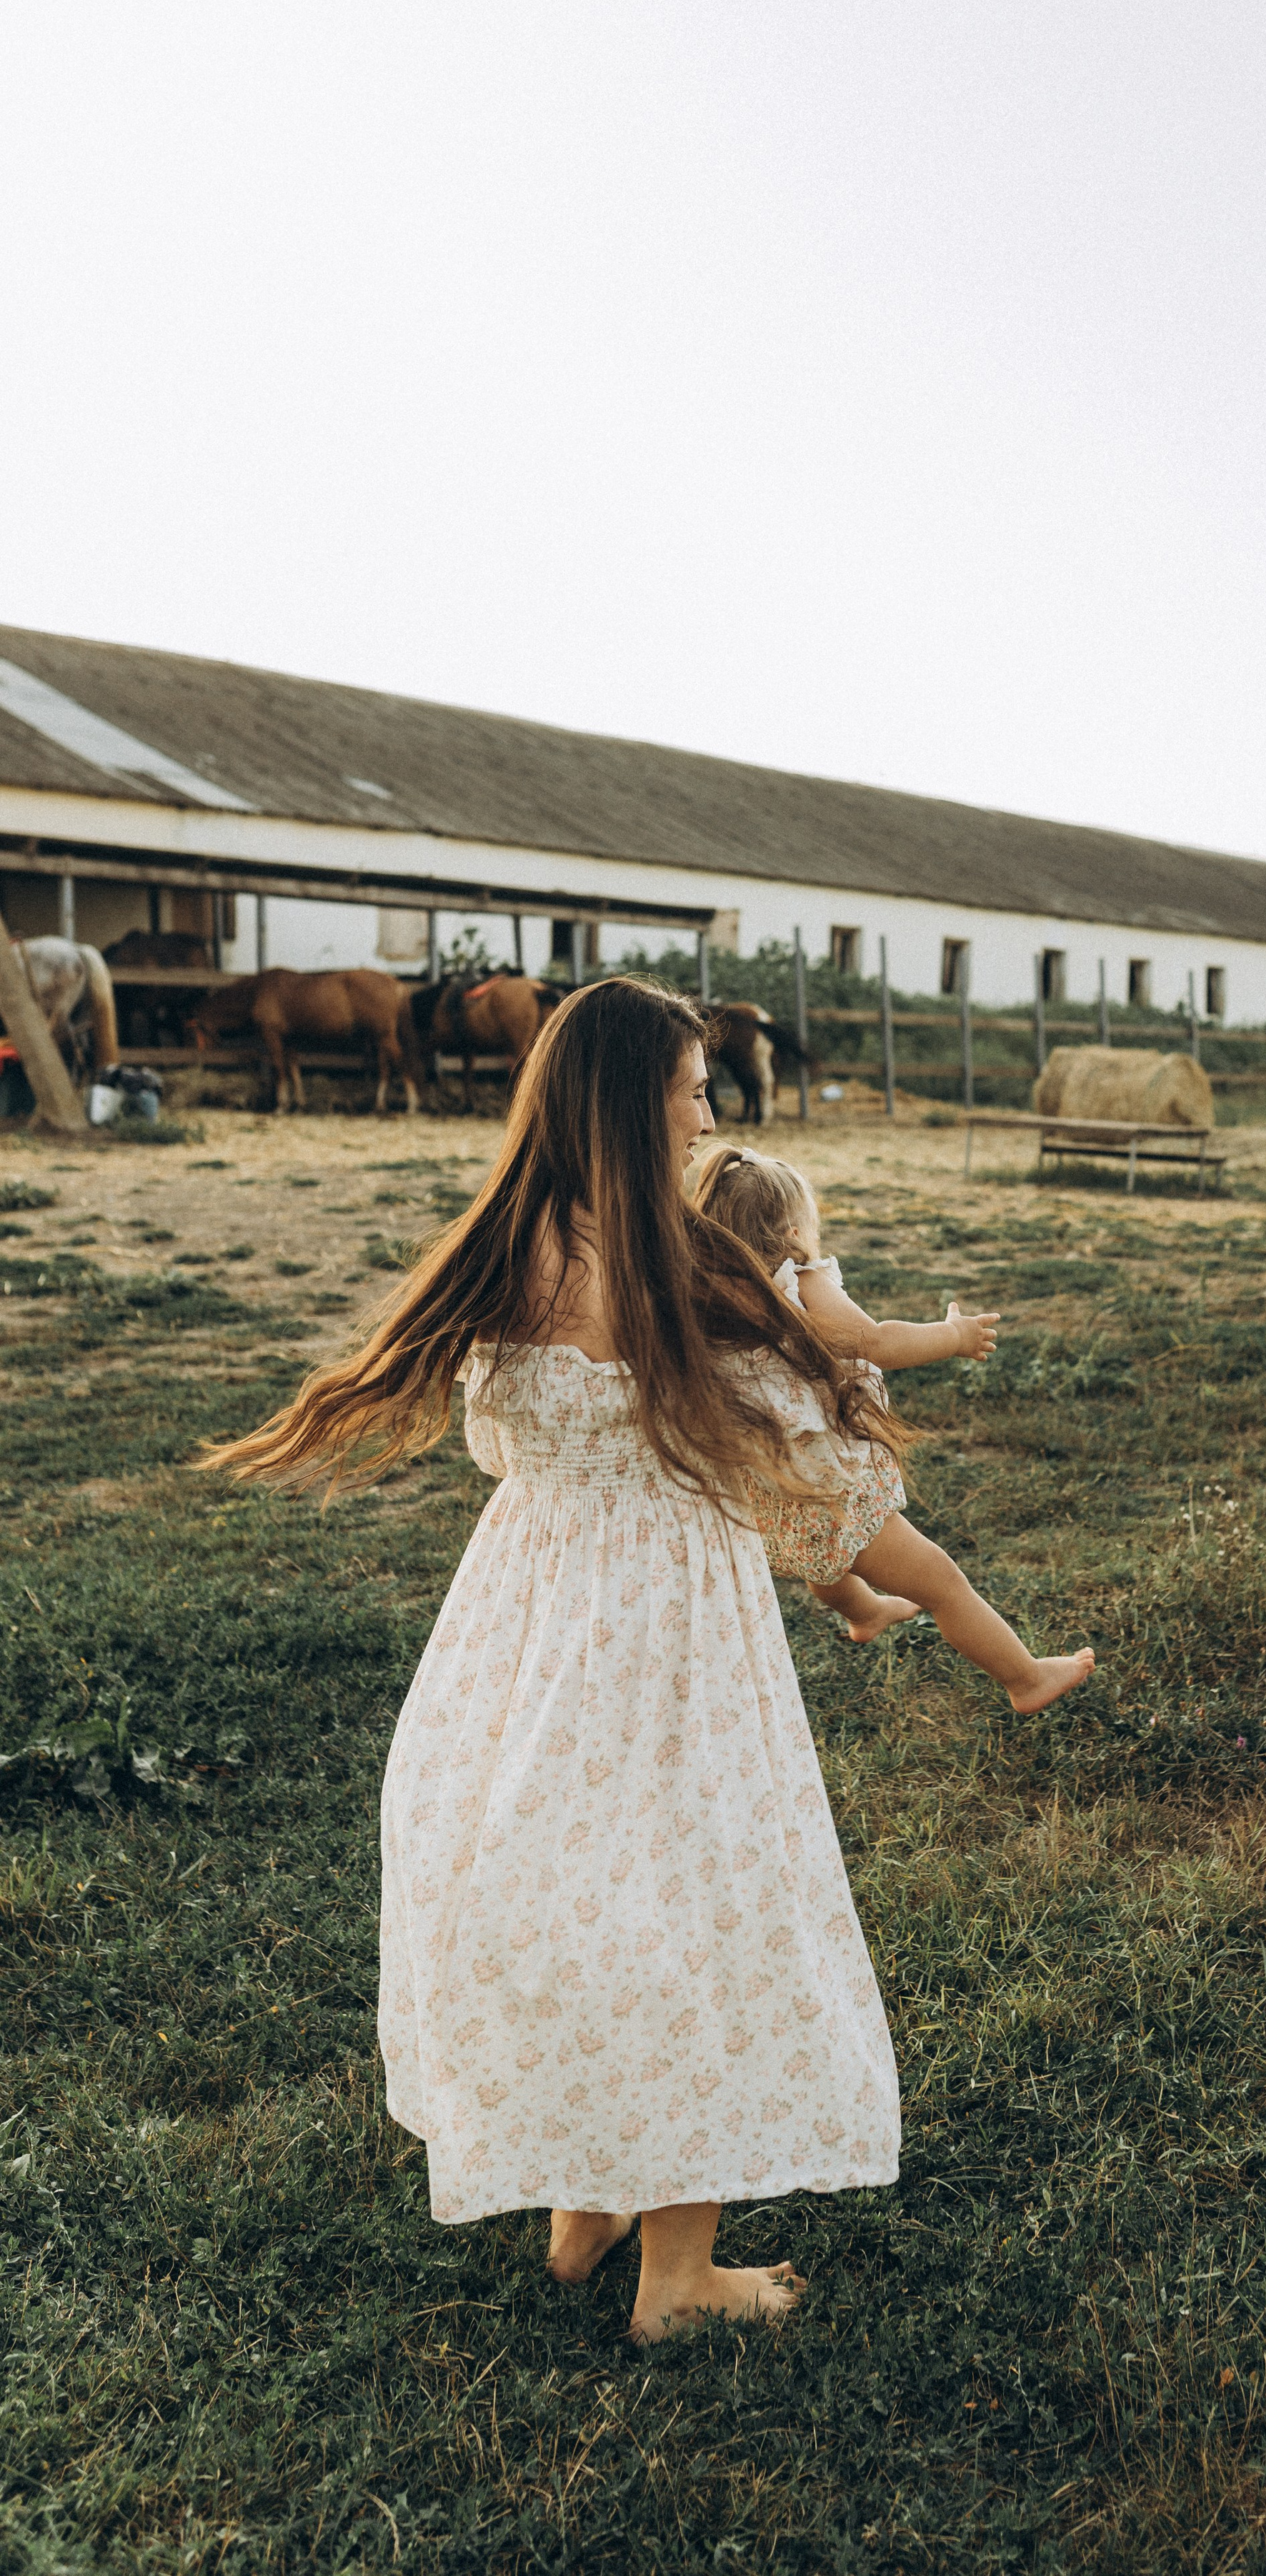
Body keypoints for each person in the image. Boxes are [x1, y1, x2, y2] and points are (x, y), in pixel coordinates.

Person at [204, 979, 903, 2339]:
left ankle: (583, 2190)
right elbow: (803, 1442)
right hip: (672, 1626)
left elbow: (493, 1430)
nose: (712, 1109)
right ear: (641, 1100)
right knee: (700, 1901)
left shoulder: (513, 1241)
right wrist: (862, 1400)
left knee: (560, 1877)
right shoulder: (686, 1266)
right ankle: (680, 2277)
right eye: (697, 1088)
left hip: (527, 1612)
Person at [691, 1143, 1096, 1717]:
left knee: (823, 1559)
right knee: (941, 1582)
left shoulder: (697, 1290)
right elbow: (874, 1341)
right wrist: (952, 1337)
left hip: (766, 1496)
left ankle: (864, 1612)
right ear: (788, 1233)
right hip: (827, 1488)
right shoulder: (798, 1279)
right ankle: (1024, 1677)